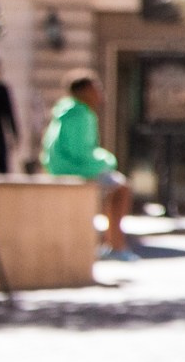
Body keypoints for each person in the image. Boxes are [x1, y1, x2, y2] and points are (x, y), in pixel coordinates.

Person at [42, 72, 133, 260]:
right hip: (73, 169)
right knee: (121, 188)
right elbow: (80, 153)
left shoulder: (67, 110)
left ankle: (110, 244)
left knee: (114, 187)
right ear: (83, 91)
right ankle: (116, 245)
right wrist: (107, 161)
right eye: (95, 88)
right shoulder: (80, 114)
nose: (100, 93)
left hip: (61, 167)